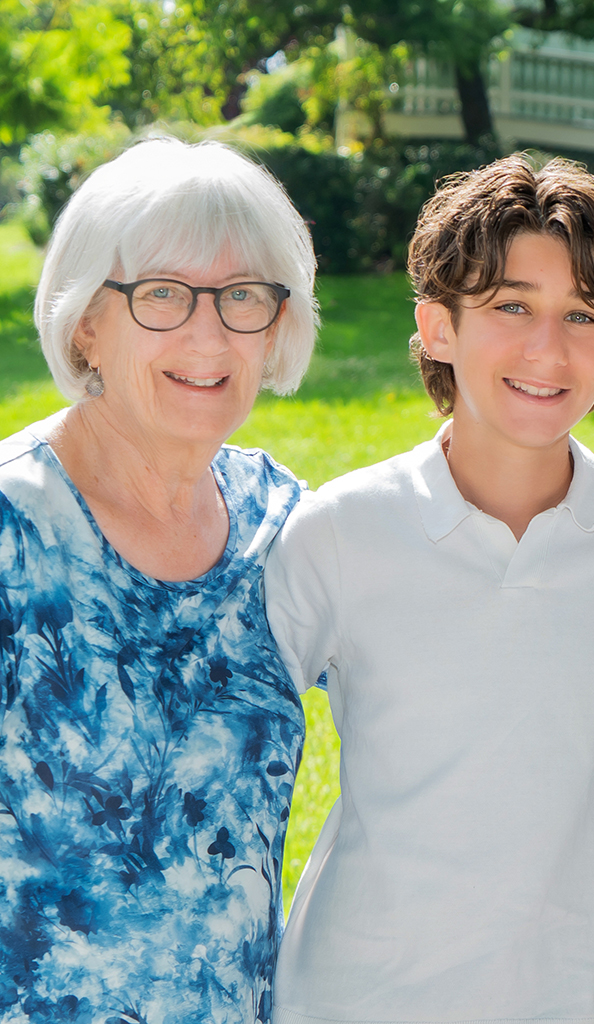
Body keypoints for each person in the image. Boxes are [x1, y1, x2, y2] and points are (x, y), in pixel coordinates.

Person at [264, 154, 594, 1024]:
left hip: (578, 1002)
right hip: (353, 1000)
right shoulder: (340, 532)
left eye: (583, 315)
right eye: (510, 307)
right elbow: (228, 759)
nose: (547, 347)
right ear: (437, 327)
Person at [0, 138, 318, 1023]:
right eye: (163, 296)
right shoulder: (9, 528)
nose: (209, 335)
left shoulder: (284, 526)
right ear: (84, 322)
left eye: (243, 296)